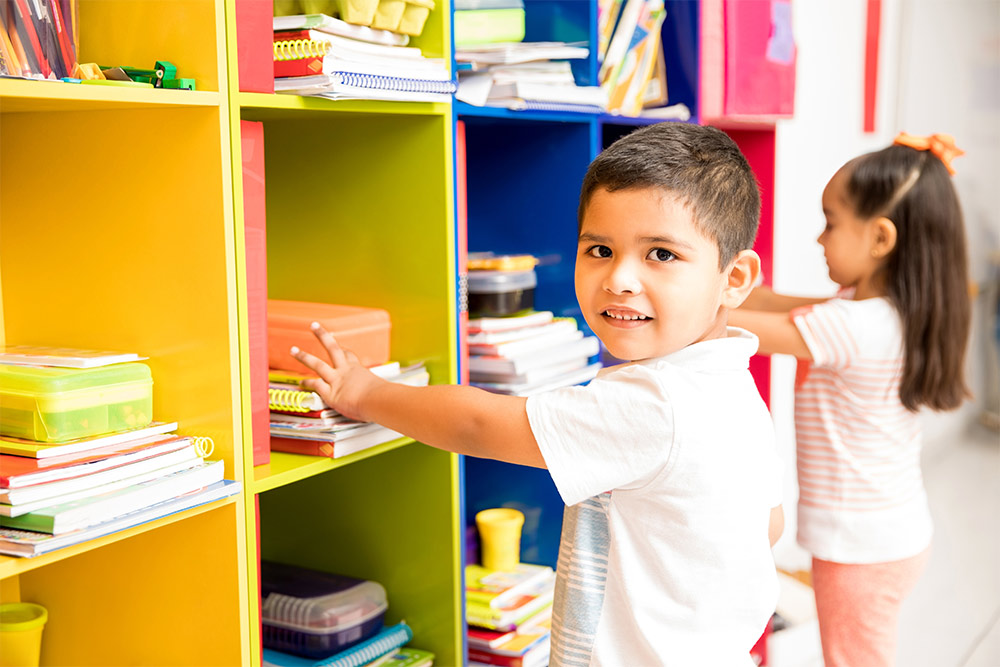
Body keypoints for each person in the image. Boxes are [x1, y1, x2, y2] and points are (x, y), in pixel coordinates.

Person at [292, 122, 784, 666]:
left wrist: (364, 393)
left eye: (661, 255)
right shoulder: (731, 385)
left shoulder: (656, 403)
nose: (619, 278)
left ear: (734, 278)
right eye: (600, 248)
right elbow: (770, 522)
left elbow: (477, 424)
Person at [729, 132, 971, 667]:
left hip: (861, 547)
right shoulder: (877, 313)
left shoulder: (853, 327)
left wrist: (666, 296)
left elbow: (729, 325)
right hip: (886, 537)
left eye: (830, 222)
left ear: (881, 239)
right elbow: (769, 302)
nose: (819, 238)